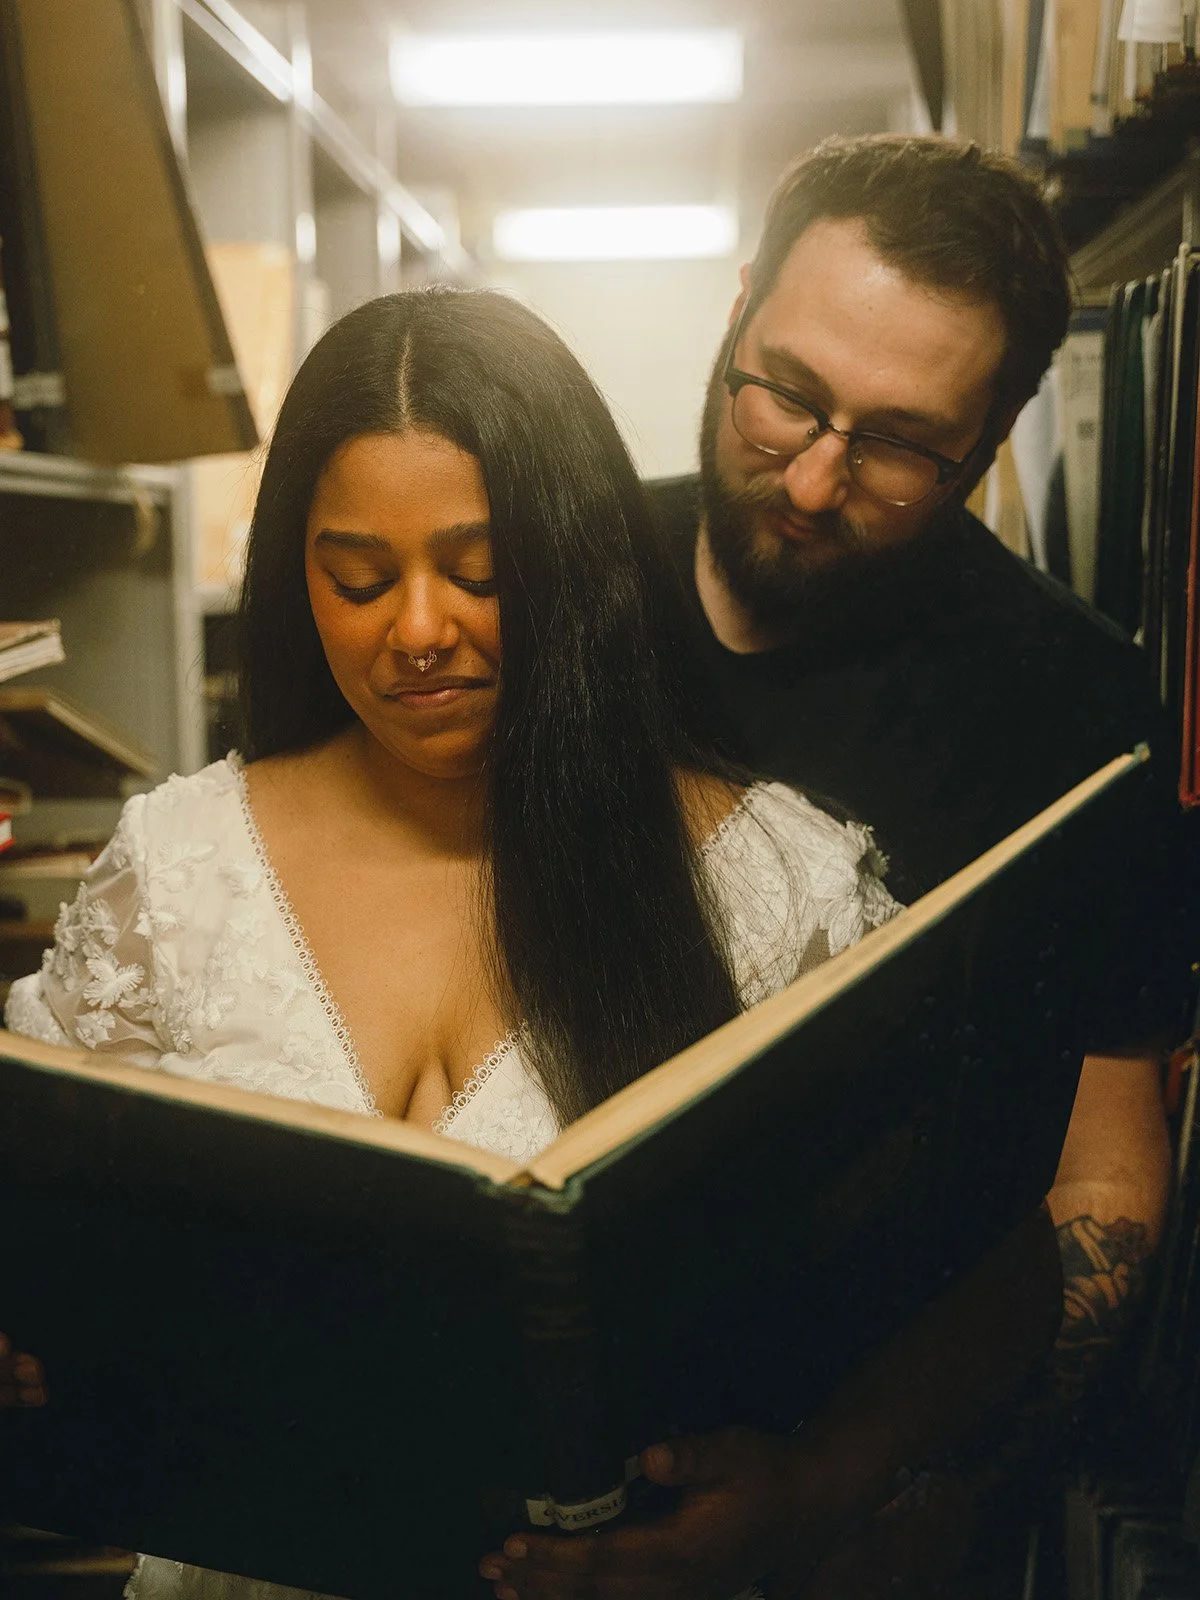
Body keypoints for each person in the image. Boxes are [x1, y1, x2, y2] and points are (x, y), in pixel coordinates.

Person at [1, 286, 905, 1600]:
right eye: (357, 578)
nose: (417, 631)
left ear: (577, 560)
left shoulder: (775, 880)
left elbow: (964, 1278)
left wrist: (814, 1490)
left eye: (480, 573)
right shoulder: (179, 861)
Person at [547, 132, 1177, 1598]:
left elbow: (1105, 1165)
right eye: (787, 395)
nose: (817, 481)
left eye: (899, 443)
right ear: (736, 308)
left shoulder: (1078, 713)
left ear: (1000, 434)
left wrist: (865, 1490)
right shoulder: (543, 587)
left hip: (869, 1520)